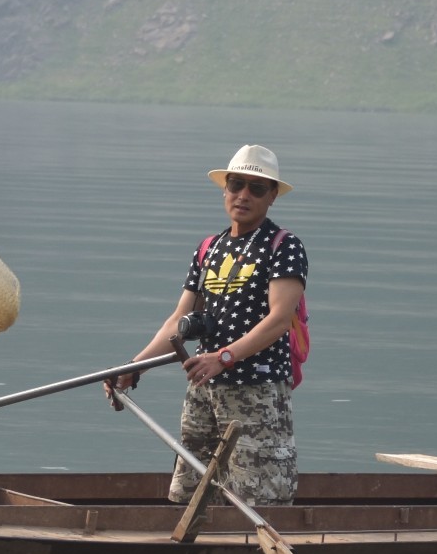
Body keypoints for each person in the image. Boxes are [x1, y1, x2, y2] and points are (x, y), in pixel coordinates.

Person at [110, 145, 308, 504]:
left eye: (257, 188)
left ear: (272, 196)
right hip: (204, 390)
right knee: (191, 492)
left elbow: (279, 320)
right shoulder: (208, 248)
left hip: (257, 390)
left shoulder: (284, 247)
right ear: (225, 189)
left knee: (260, 499)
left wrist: (224, 357)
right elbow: (177, 321)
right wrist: (134, 366)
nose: (243, 195)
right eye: (236, 184)